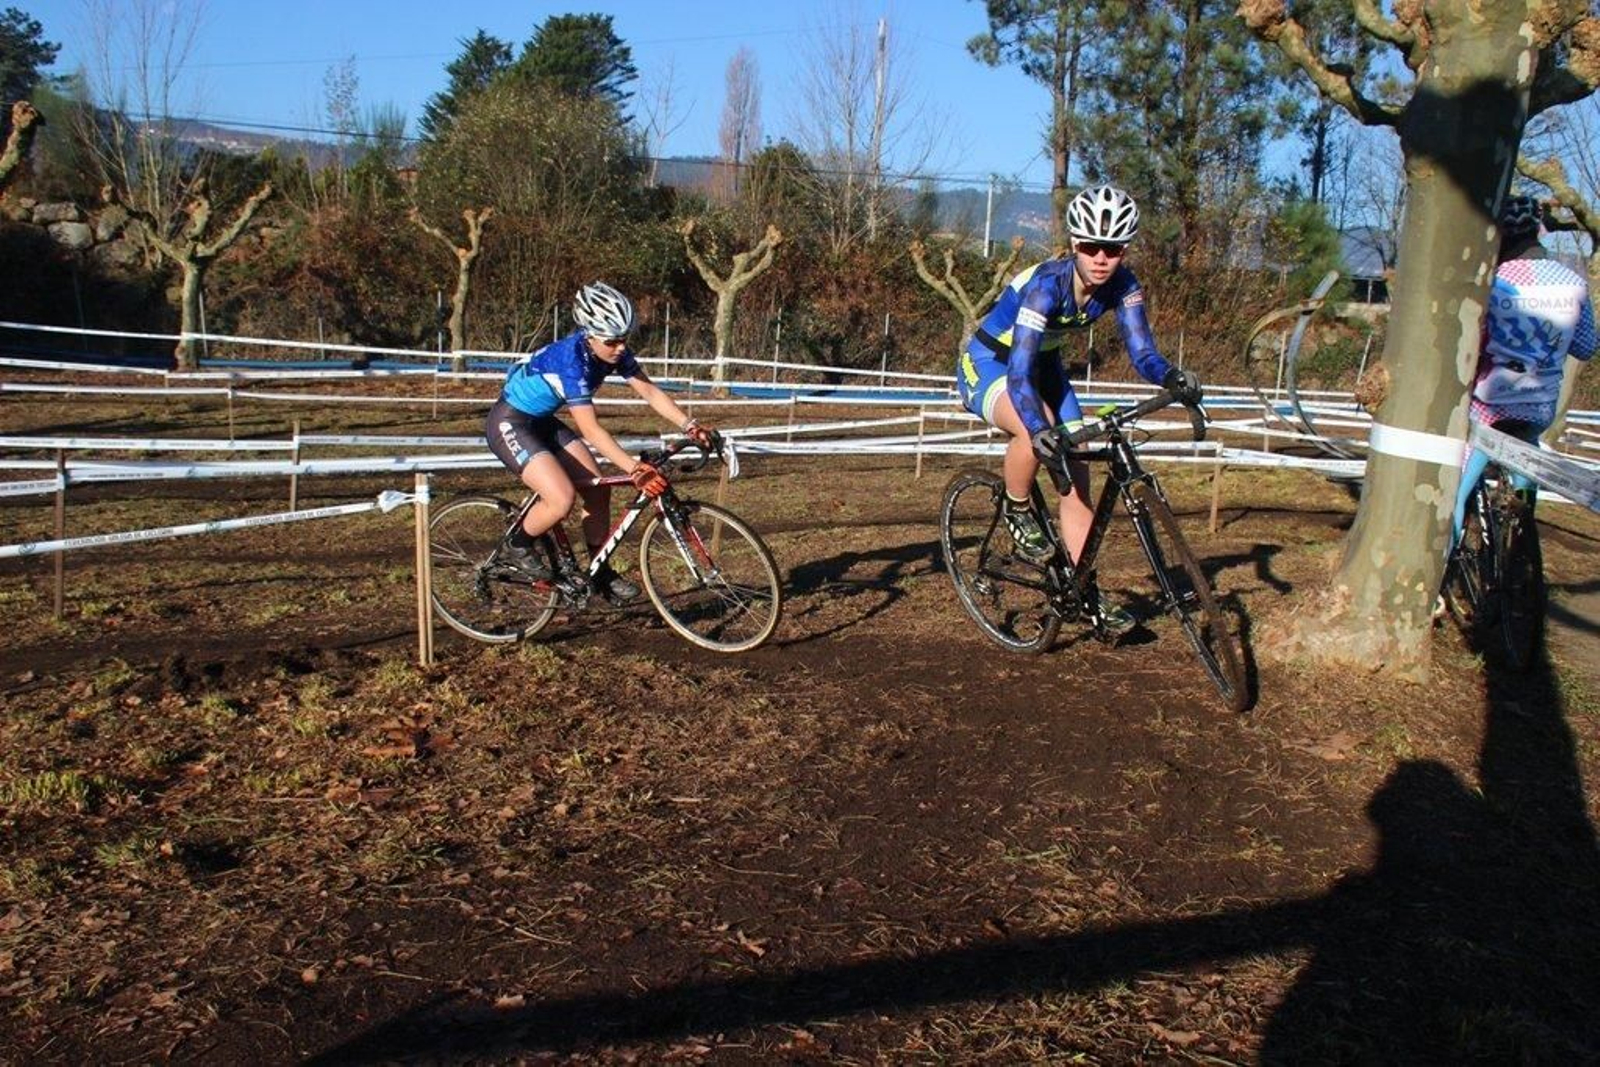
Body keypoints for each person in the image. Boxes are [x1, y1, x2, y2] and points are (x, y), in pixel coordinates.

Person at [955, 183, 1200, 631]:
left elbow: (1142, 352)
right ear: (1073, 244)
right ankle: (1016, 506)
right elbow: (1019, 371)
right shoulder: (1047, 286)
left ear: (1124, 250)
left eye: (1113, 249)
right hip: (993, 362)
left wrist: (1170, 376)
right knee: (1038, 429)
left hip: (1044, 366)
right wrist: (1038, 425)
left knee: (1077, 484)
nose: (1101, 258)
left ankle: (1085, 591)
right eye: (1090, 247)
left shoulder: (1123, 286)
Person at [486, 281, 717, 602]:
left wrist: (689, 425)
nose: (620, 347)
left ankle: (600, 571)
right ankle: (517, 545)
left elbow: (648, 391)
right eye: (612, 341)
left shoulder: (612, 352)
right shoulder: (573, 361)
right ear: (590, 334)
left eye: (624, 339)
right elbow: (591, 430)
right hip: (510, 422)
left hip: (542, 423)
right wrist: (635, 468)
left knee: (598, 489)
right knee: (561, 498)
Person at [1450, 194, 1597, 547]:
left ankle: (1442, 573)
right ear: (1539, 231)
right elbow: (1586, 347)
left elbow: (1471, 342)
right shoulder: (1574, 282)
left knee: (1451, 495)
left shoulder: (1492, 281)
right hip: (1539, 406)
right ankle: (1522, 540)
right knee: (1524, 476)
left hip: (1488, 406)